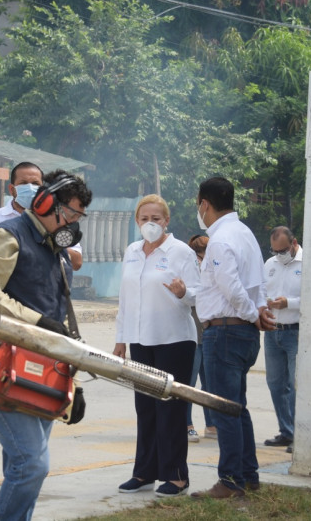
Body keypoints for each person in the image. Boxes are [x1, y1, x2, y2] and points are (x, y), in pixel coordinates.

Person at [0, 169, 92, 520]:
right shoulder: (7, 236)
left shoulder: (56, 250)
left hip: (41, 372)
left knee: (27, 466)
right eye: (72, 213)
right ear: (47, 203)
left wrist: (73, 383)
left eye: (79, 217)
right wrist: (35, 321)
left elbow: (59, 320)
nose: (74, 223)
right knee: (31, 463)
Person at [190, 177, 275, 500]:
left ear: (204, 204)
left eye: (198, 204)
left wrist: (254, 314)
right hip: (242, 331)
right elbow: (258, 283)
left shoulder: (221, 240)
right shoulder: (245, 234)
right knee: (237, 407)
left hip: (226, 331)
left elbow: (232, 287)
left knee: (224, 408)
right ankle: (247, 475)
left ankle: (230, 481)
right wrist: (259, 310)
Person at [113, 194, 200, 497]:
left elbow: (198, 294)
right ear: (137, 221)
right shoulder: (132, 251)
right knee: (145, 408)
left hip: (174, 340)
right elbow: (125, 298)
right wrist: (121, 338)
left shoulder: (181, 252)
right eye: (144, 219)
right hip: (140, 339)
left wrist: (183, 292)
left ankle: (176, 476)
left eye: (156, 218)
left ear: (166, 220)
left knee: (170, 409)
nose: (150, 223)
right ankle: (144, 473)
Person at [262, 226, 302, 454]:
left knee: (296, 385)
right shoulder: (270, 264)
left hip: (295, 332)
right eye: (275, 250)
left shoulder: (307, 264)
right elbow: (260, 291)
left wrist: (289, 303)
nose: (279, 255)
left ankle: (300, 435)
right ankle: (286, 431)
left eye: (283, 250)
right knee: (275, 384)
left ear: (294, 243)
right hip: (272, 331)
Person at [185, 234, 217, 443]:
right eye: (200, 256)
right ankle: (186, 424)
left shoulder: (214, 269)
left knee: (210, 382)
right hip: (192, 333)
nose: (203, 260)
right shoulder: (188, 269)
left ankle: (211, 424)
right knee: (189, 382)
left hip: (210, 332)